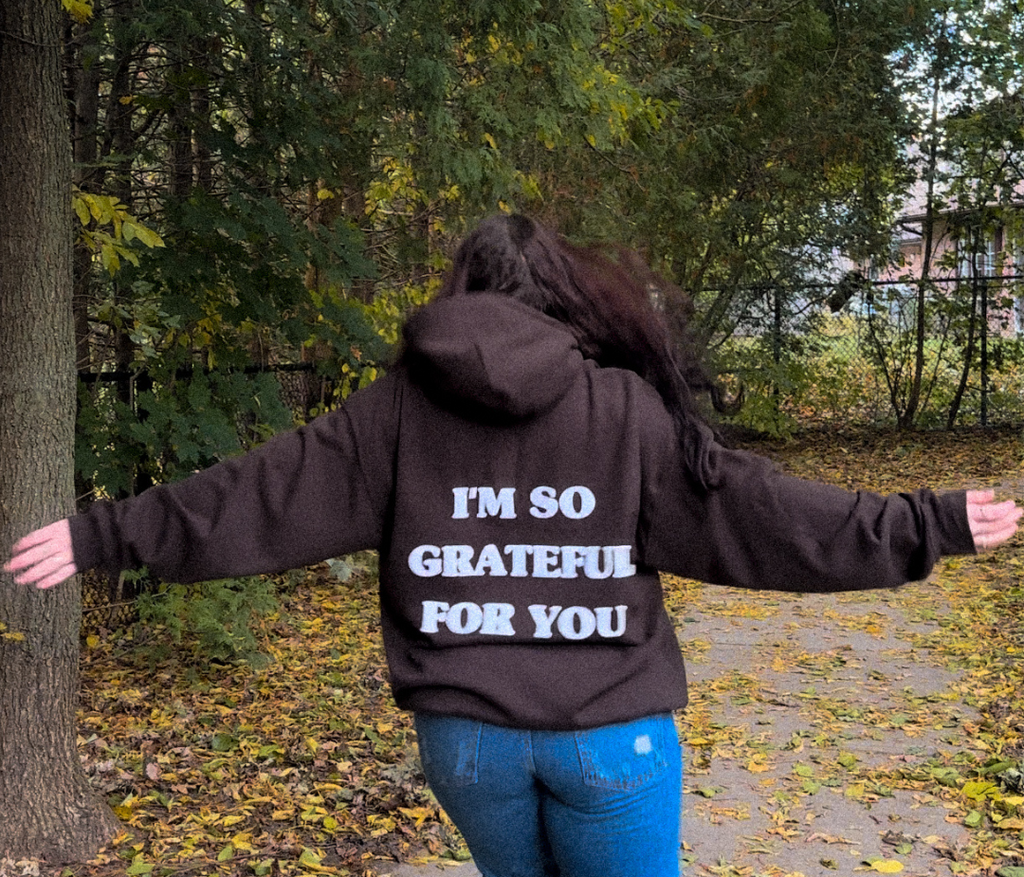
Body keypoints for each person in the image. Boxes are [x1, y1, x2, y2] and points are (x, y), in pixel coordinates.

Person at [6, 213, 1020, 877]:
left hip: (465, 742)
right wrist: (923, 522)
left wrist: (102, 533)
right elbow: (761, 511)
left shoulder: (394, 410)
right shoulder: (624, 409)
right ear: (566, 296)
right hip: (610, 737)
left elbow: (258, 495)